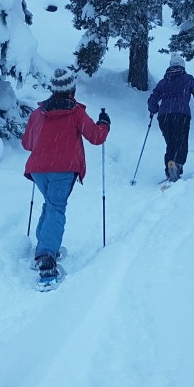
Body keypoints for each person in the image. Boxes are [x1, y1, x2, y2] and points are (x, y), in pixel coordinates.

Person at [22, 68, 110, 288]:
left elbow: (27, 144)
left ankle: (44, 248)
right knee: (56, 209)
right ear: (72, 89)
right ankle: (46, 260)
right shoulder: (75, 112)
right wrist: (104, 124)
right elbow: (96, 137)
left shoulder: (39, 113)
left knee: (50, 205)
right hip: (63, 169)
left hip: (38, 169)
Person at [147, 52, 194, 182]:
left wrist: (153, 109)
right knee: (181, 141)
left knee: (171, 143)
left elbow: (153, 99)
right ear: (183, 66)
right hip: (181, 114)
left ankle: (170, 167)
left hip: (164, 116)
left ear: (170, 66)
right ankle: (177, 165)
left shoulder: (163, 82)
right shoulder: (187, 79)